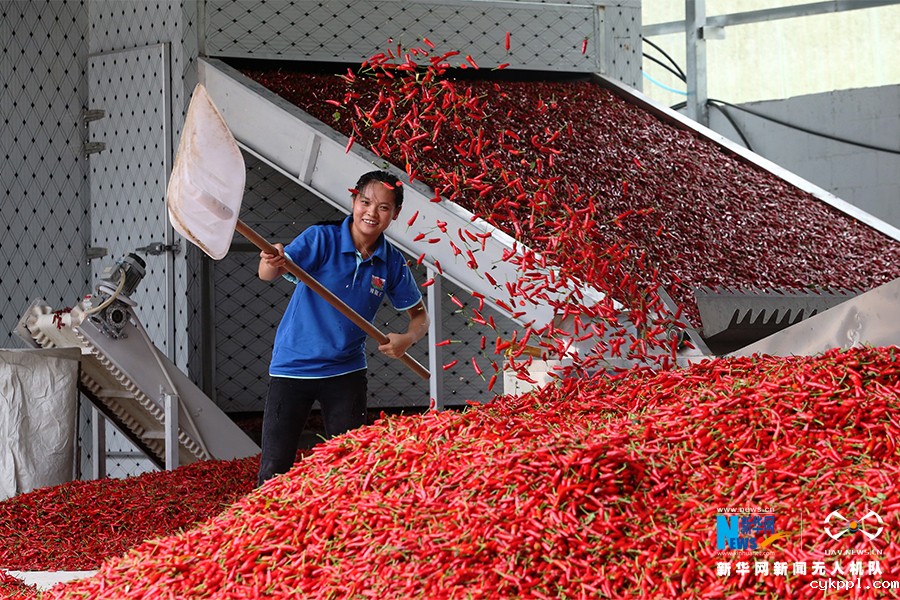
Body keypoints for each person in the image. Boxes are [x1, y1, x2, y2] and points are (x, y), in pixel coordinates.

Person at [256, 170, 429, 486]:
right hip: (293, 368)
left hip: (346, 372)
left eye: (383, 207)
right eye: (365, 202)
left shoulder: (391, 261)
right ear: (354, 201)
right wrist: (271, 259)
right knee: (274, 468)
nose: (371, 213)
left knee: (351, 469)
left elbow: (420, 316)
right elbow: (268, 273)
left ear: (395, 214)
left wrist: (407, 338)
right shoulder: (321, 239)